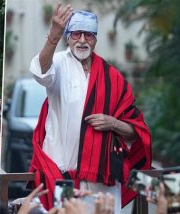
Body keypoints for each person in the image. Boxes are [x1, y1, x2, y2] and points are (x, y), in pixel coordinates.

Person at [28, 4, 152, 213]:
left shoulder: (112, 77)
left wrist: (113, 123)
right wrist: (53, 36)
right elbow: (40, 72)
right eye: (76, 34)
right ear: (68, 36)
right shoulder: (57, 63)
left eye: (89, 35)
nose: (83, 40)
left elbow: (136, 131)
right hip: (62, 176)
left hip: (103, 180)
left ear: (96, 39)